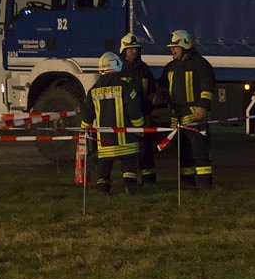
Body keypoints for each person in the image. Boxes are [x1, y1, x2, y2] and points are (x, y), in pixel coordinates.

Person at [80, 51, 144, 195]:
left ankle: (103, 190)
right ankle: (130, 188)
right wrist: (139, 127)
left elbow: (87, 115)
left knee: (104, 168)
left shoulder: (93, 90)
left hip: (105, 142)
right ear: (116, 65)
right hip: (126, 141)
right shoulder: (125, 87)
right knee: (129, 166)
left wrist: (85, 130)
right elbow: (133, 109)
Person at [158, 29, 215, 188]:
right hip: (177, 117)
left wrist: (203, 106)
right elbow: (162, 87)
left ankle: (204, 184)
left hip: (194, 116)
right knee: (183, 152)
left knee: (199, 151)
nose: (172, 50)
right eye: (171, 47)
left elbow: (207, 86)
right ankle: (187, 182)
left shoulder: (200, 65)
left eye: (175, 47)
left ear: (185, 45)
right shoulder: (170, 67)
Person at [119, 32, 157, 184]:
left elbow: (152, 91)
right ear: (123, 50)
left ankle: (149, 180)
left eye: (136, 48)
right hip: (125, 118)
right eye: (131, 49)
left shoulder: (144, 69)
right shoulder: (119, 69)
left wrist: (150, 107)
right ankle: (130, 182)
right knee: (129, 151)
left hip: (143, 114)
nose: (134, 51)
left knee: (146, 150)